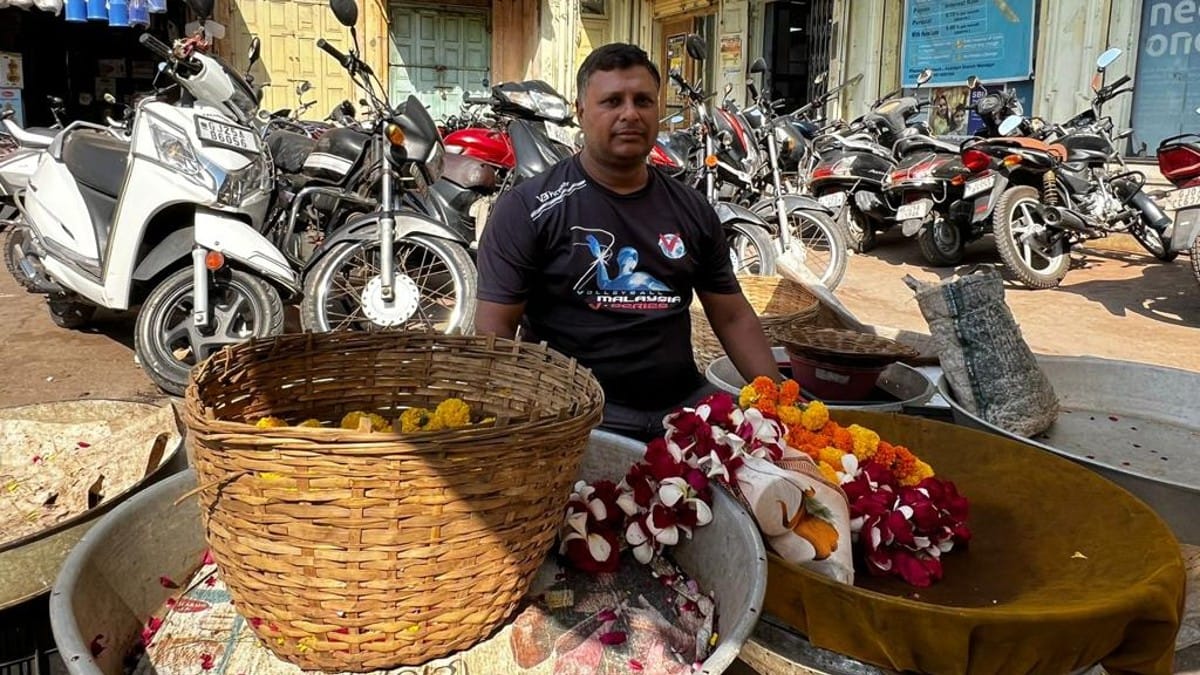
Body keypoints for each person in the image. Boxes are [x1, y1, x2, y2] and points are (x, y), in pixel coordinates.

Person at [474, 42, 779, 440]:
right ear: (581, 112)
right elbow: (495, 330)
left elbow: (732, 316)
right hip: (576, 417)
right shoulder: (529, 208)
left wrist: (780, 406)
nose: (630, 114)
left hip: (684, 407)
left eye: (643, 101)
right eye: (612, 101)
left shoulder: (691, 208)